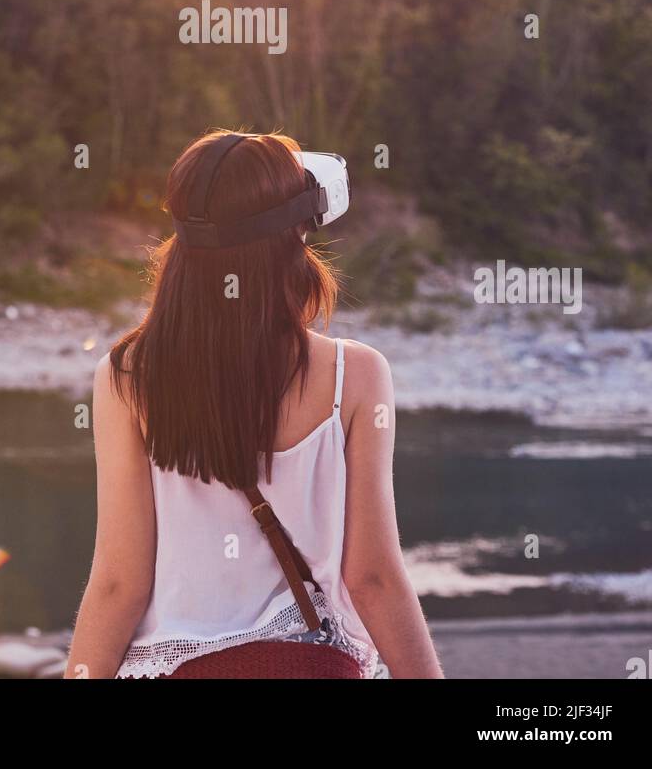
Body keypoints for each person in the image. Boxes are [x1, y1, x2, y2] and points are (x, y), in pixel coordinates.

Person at [65, 129, 443, 679]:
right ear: (295, 239)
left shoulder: (127, 378)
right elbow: (373, 577)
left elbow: (120, 583)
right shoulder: (353, 377)